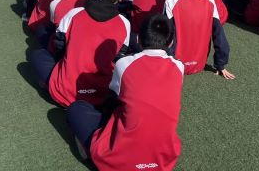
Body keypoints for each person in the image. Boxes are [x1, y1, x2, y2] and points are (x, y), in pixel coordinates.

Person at [66, 14, 184, 170]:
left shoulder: (124, 64)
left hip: (120, 158)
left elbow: (111, 101)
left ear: (138, 39)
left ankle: (91, 150)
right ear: (171, 43)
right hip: (162, 160)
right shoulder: (179, 67)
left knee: (76, 109)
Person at [30, 0, 130, 108]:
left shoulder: (74, 13)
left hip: (65, 90)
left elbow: (58, 46)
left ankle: (51, 85)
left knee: (38, 54)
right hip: (100, 94)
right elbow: (118, 60)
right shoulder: (125, 24)